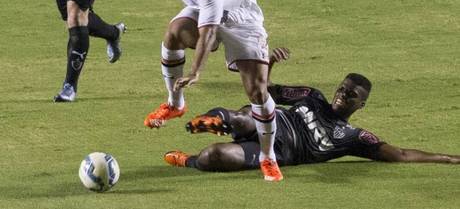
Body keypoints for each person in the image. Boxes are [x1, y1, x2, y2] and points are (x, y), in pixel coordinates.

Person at [162, 48, 460, 174]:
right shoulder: (310, 96)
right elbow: (263, 89)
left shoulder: (353, 137)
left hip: (280, 155)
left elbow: (402, 155)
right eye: (342, 89)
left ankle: (187, 161)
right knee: (245, 114)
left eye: (351, 95)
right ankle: (213, 120)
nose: (343, 95)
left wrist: (448, 158)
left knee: (216, 155)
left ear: (361, 104)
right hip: (271, 122)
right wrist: (269, 62)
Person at [143, 0, 283, 181]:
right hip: (211, 10)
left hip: (243, 17)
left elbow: (207, 35)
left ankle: (267, 157)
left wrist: (195, 71)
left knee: (257, 93)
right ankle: (175, 104)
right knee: (173, 32)